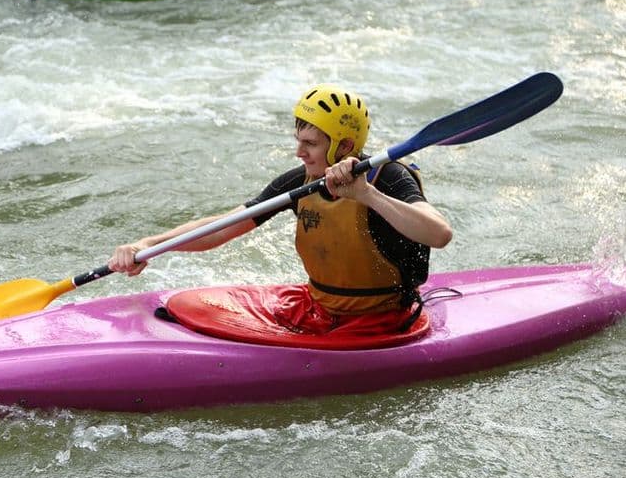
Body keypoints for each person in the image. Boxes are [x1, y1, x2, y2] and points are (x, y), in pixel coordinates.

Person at [108, 84, 452, 335]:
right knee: (185, 308)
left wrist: (366, 195)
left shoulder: (387, 177)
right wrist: (147, 245)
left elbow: (439, 233)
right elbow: (225, 226)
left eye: (311, 144)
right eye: (298, 140)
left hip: (383, 320)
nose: (299, 152)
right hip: (319, 308)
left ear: (345, 146)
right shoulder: (302, 181)